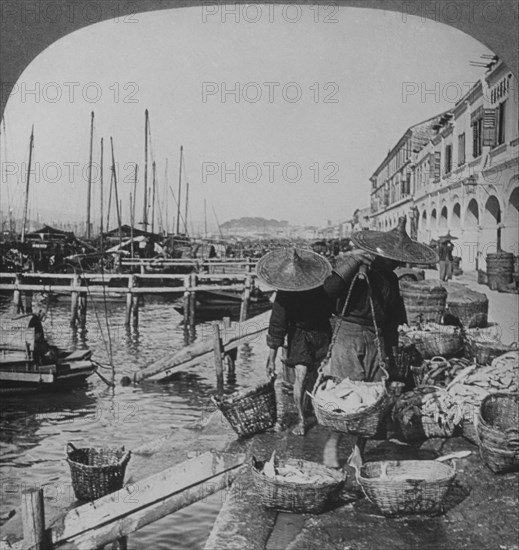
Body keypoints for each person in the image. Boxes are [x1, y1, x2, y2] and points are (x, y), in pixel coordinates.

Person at [322, 216, 438, 464]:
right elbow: (329, 290)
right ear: (381, 252)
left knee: (372, 396)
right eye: (393, 255)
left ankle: (358, 451)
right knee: (346, 393)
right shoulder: (357, 267)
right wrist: (352, 261)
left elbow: (394, 318)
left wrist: (393, 350)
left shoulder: (393, 280)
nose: (398, 260)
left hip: (377, 337)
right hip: (349, 334)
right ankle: (332, 444)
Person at [257, 247, 333, 436]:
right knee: (316, 376)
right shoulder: (320, 285)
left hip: (302, 335)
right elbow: (334, 309)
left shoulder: (286, 293)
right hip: (321, 332)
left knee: (301, 377)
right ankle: (312, 413)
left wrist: (271, 357)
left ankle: (302, 419)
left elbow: (277, 325)